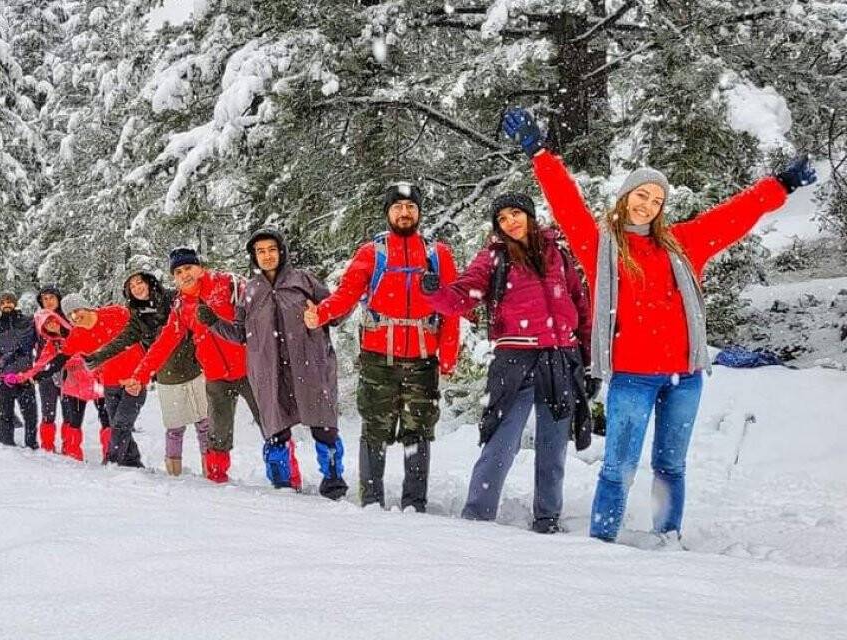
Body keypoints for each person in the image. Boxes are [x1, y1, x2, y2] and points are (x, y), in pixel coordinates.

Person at [502, 106, 817, 543]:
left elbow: (735, 216)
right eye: (642, 194)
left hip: (684, 377)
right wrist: (538, 152)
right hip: (633, 377)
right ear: (627, 196)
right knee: (618, 469)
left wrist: (779, 185)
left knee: (672, 466)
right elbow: (565, 200)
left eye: (656, 199)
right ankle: (602, 544)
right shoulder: (601, 247)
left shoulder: (682, 245)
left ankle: (667, 539)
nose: (648, 204)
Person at [422, 192, 593, 533]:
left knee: (553, 446)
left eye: (516, 213)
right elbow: (463, 295)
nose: (510, 222)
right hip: (515, 357)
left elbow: (580, 305)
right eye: (502, 218)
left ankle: (547, 519)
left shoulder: (557, 253)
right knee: (501, 440)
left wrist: (587, 361)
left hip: (560, 356)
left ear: (529, 216)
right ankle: (477, 515)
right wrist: (435, 292)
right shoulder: (494, 258)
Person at [304, 184, 461, 511]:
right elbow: (346, 296)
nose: (404, 213)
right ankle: (371, 500)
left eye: (410, 207)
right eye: (397, 207)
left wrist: (448, 356)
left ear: (418, 212)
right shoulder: (372, 253)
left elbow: (452, 308)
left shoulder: (437, 255)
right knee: (374, 429)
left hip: (422, 360)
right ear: (388, 213)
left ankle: (414, 504)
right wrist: (319, 314)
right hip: (379, 359)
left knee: (419, 431)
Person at [202, 229, 348, 499]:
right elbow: (239, 333)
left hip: (310, 367)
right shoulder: (251, 291)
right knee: (276, 430)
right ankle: (282, 485)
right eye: (261, 251)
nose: (267, 256)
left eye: (271, 249)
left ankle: (333, 480)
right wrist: (212, 322)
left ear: (281, 251)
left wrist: (325, 312)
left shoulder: (302, 280)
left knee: (323, 427)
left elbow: (337, 310)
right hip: (269, 371)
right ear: (254, 256)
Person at [123, 247, 258, 483]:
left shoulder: (227, 283)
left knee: (271, 425)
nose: (185, 274)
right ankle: (216, 479)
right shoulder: (182, 307)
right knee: (217, 435)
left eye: (188, 268)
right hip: (216, 377)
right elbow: (163, 344)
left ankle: (286, 480)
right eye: (178, 271)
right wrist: (140, 375)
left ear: (199, 267)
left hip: (250, 370)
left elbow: (260, 309)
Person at [87, 271, 210, 477]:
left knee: (204, 422)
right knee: (174, 425)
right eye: (131, 286)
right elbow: (124, 339)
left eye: (139, 282)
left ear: (149, 282)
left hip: (193, 366)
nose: (137, 287)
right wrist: (97, 357)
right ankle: (175, 475)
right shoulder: (137, 315)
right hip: (165, 373)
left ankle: (212, 471)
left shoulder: (172, 299)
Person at [50, 293, 147, 466]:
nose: (75, 316)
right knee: (118, 424)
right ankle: (133, 463)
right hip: (109, 384)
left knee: (121, 422)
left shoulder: (116, 313)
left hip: (135, 378)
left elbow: (144, 325)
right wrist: (39, 373)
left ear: (86, 306)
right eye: (70, 314)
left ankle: (111, 461)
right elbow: (62, 358)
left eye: (77, 310)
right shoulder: (77, 334)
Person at [11, 308, 107, 461]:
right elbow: (42, 364)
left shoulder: (78, 329)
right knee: (74, 422)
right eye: (46, 324)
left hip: (97, 380)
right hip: (74, 385)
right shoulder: (53, 344)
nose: (51, 325)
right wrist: (23, 377)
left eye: (52, 320)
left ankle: (111, 455)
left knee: (106, 419)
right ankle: (73, 454)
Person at [0, 292, 39, 448]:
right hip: (4, 378)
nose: (6, 304)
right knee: (6, 413)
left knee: (30, 415)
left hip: (24, 376)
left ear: (15, 303)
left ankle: (31, 444)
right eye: (3, 302)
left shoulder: (28, 322)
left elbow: (40, 340)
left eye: (9, 301)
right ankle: (6, 443)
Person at [34, 286, 66, 451]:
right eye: (45, 299)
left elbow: (78, 337)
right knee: (48, 410)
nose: (48, 301)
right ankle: (47, 446)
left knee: (70, 413)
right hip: (45, 370)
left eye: (51, 297)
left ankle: (70, 447)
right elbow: (27, 342)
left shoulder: (68, 317)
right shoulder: (37, 320)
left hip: (69, 370)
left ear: (59, 299)